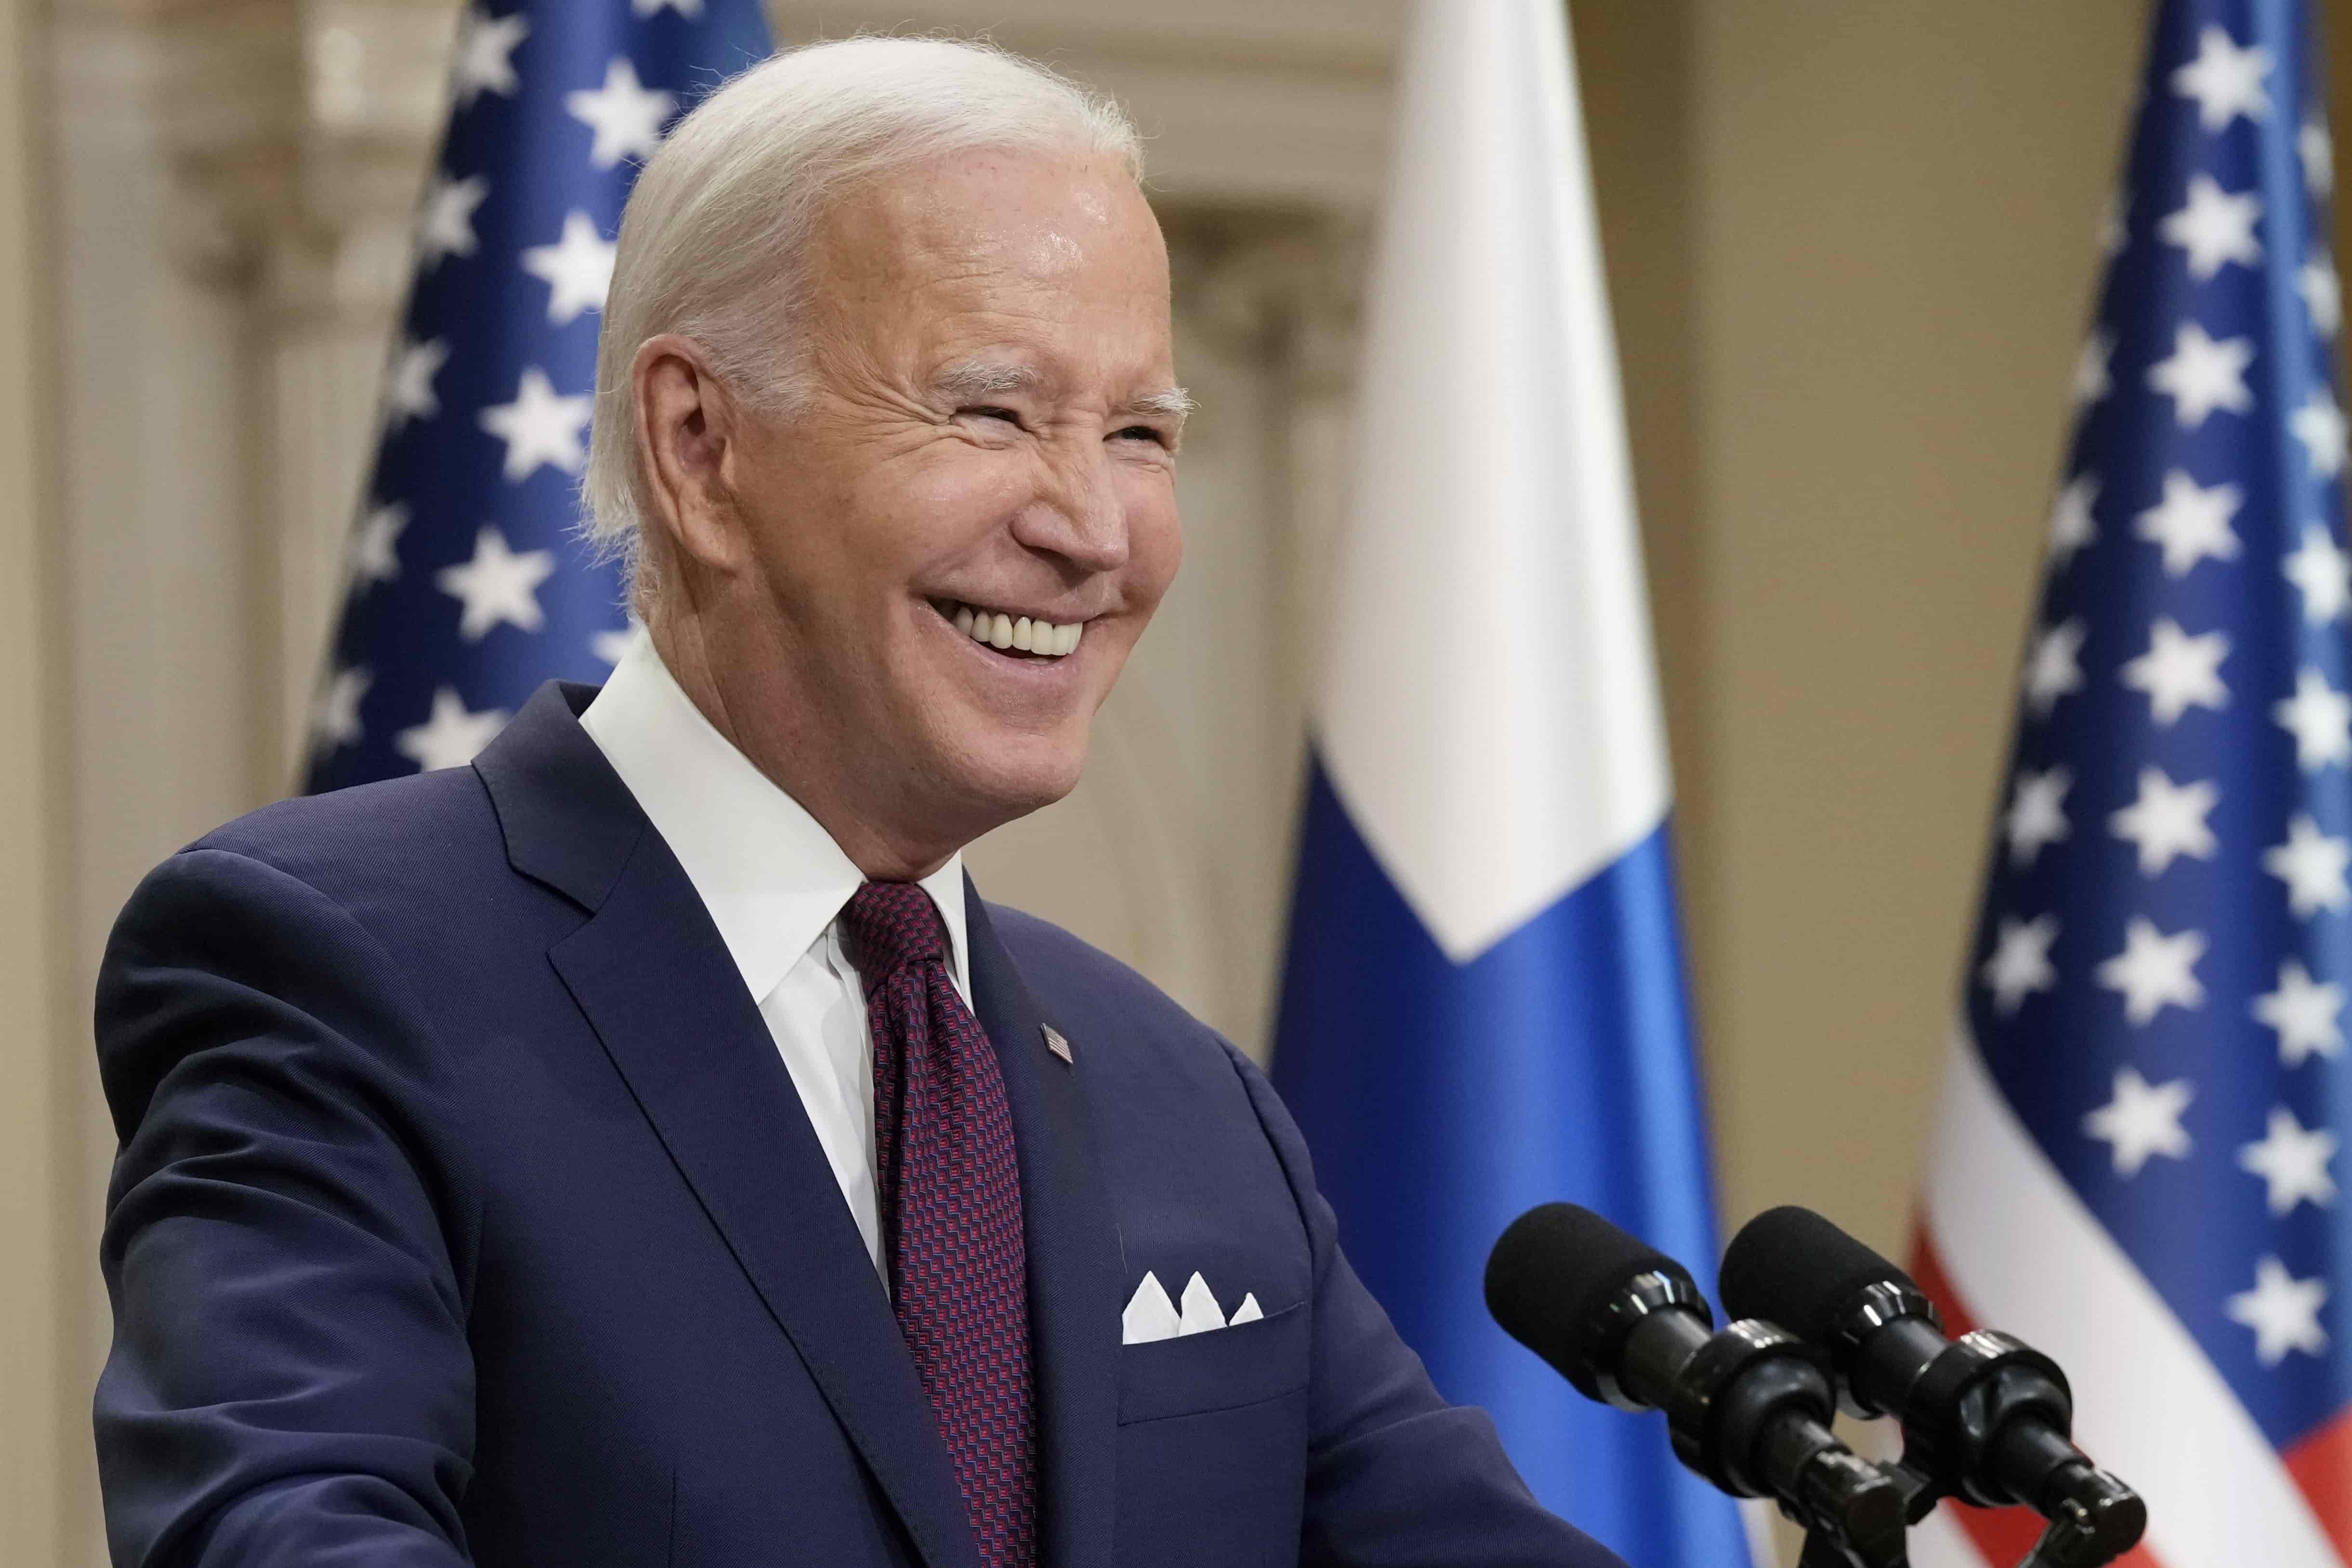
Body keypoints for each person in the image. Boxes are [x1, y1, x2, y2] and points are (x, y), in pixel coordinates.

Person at [92, 38, 1628, 1568]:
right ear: (700, 448)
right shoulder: (335, 968)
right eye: (989, 414)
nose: (1091, 528)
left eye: (1141, 434)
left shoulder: (1185, 1100)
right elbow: (282, 1538)